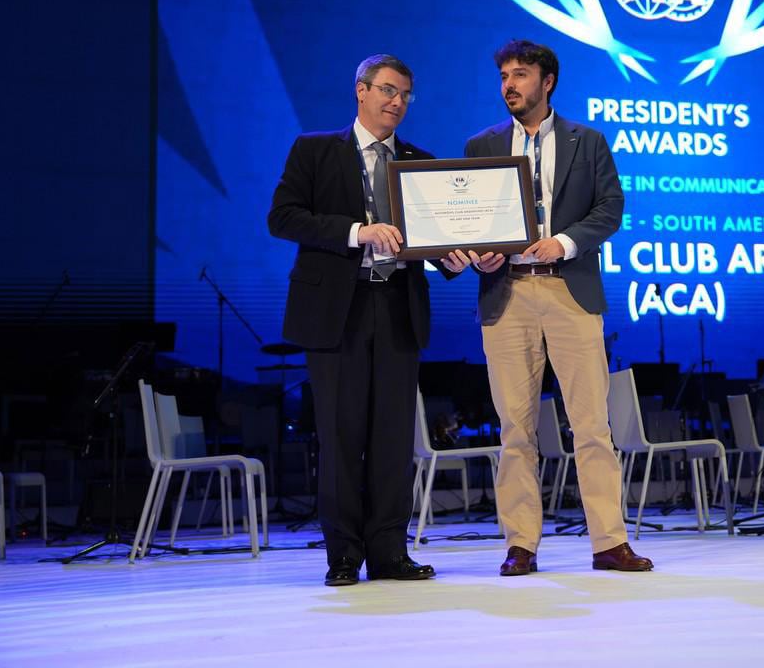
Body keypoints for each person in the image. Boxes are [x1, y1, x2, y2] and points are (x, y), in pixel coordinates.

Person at [450, 39, 653, 575]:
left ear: (548, 82)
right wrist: (481, 255)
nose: (509, 85)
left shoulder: (588, 141)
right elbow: (469, 218)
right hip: (507, 292)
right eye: (503, 76)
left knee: (591, 425)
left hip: (569, 289)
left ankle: (609, 542)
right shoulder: (481, 145)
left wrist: (563, 242)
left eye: (520, 75)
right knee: (515, 429)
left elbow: (610, 208)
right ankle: (520, 545)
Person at [268, 54, 461, 586]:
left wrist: (463, 256)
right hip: (337, 311)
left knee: (393, 439)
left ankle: (389, 552)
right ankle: (344, 556)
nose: (398, 102)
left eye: (405, 94)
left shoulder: (420, 162)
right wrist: (358, 231)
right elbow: (283, 217)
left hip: (398, 307)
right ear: (361, 90)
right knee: (340, 435)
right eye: (388, 90)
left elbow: (437, 241)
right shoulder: (315, 150)